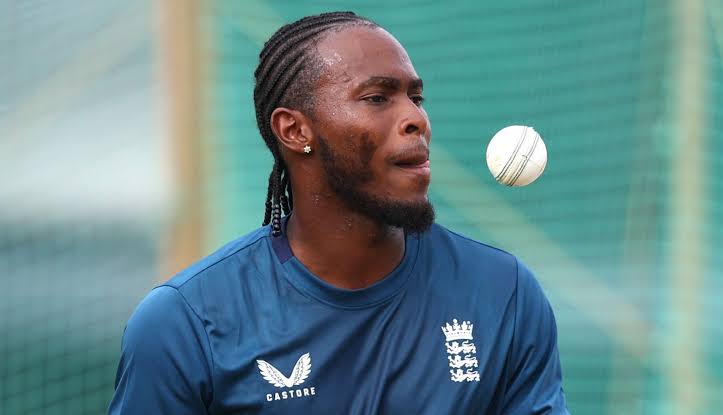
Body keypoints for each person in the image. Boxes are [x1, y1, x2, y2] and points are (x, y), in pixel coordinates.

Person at [108, 11, 569, 414]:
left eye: (416, 98)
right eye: (377, 98)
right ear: (294, 130)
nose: (417, 119)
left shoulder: (503, 292)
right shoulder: (183, 324)